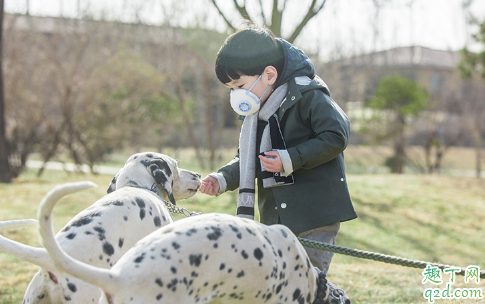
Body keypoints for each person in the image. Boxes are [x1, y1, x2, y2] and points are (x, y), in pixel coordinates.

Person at [199, 25, 356, 303]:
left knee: (305, 283)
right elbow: (247, 160)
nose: (236, 95)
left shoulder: (308, 94)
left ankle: (335, 299)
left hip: (314, 214)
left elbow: (336, 135)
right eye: (231, 89)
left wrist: (289, 158)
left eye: (240, 86)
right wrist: (222, 178)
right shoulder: (255, 112)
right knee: (278, 283)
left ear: (269, 75)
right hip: (274, 215)